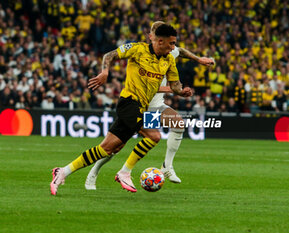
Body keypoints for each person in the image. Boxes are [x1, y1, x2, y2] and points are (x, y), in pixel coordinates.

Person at [50, 24, 193, 195]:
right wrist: (105, 72)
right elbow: (109, 55)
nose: (172, 48)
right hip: (129, 102)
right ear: (160, 41)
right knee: (154, 136)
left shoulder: (168, 60)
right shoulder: (137, 49)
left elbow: (175, 85)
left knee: (107, 149)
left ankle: (63, 171)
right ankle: (125, 172)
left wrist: (181, 92)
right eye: (171, 44)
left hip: (143, 108)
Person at [84, 21, 215, 190]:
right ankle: (94, 172)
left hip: (155, 106)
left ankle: (166, 167)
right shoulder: (142, 54)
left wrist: (199, 59)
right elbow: (149, 84)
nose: (151, 35)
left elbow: (180, 51)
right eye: (151, 33)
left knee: (178, 124)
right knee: (115, 146)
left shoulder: (169, 51)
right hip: (138, 105)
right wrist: (171, 89)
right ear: (153, 37)